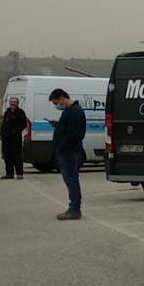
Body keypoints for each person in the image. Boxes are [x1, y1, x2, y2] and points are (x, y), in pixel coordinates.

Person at [49, 88, 85, 220]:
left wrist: (62, 147)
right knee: (70, 179)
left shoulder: (75, 111)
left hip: (70, 152)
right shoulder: (70, 111)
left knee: (71, 180)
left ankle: (74, 209)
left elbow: (73, 134)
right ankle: (74, 207)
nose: (57, 106)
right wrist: (58, 125)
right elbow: (68, 128)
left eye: (56, 103)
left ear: (62, 99)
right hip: (68, 151)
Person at [0, 96, 27, 179]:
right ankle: (9, 174)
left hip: (15, 139)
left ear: (17, 103)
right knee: (7, 156)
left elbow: (23, 124)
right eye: (11, 101)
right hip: (5, 138)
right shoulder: (7, 112)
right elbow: (4, 123)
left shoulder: (20, 113)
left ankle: (19, 173)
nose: (12, 103)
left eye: (14, 102)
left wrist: (15, 131)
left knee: (17, 156)